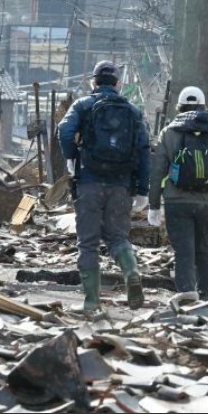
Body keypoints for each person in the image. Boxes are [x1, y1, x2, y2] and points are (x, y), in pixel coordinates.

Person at [58, 60, 150, 313]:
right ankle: (131, 271)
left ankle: (91, 302)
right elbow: (144, 150)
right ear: (119, 84)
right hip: (121, 185)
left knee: (88, 243)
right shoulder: (133, 111)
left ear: (94, 82)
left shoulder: (83, 105)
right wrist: (143, 189)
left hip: (88, 182)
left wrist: (71, 157)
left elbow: (64, 131)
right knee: (118, 238)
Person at [148, 86, 208, 302]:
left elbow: (158, 171)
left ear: (179, 107)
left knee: (184, 250)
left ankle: (187, 292)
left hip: (177, 201)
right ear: (203, 106)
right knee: (203, 248)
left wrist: (153, 204)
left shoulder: (169, 132)